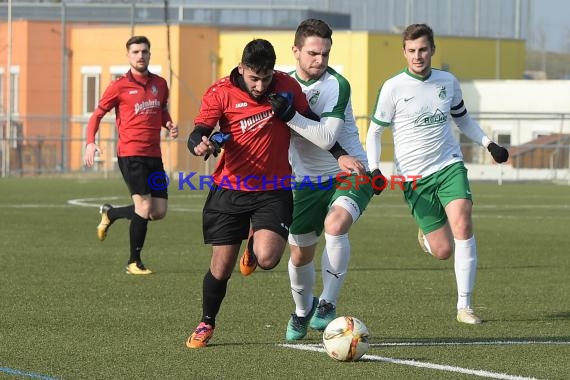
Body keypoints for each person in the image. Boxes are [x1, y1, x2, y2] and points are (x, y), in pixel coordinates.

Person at [185, 38, 362, 349]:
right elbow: (200, 130)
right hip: (229, 189)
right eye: (254, 78)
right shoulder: (220, 91)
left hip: (274, 190)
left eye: (265, 78)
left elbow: (311, 124)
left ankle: (253, 243)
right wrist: (200, 141)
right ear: (242, 69)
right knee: (221, 268)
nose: (260, 85)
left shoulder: (285, 85)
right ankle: (206, 321)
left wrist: (339, 154)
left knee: (268, 259)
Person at [366, 24, 509, 324]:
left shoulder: (448, 82)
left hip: (448, 165)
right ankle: (427, 237)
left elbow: (463, 119)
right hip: (414, 179)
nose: (418, 56)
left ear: (433, 49)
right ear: (404, 52)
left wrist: (489, 143)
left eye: (423, 49)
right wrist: (374, 169)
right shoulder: (393, 88)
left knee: (463, 221)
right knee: (443, 250)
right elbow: (375, 132)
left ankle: (465, 306)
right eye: (412, 51)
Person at [283, 18, 381, 341]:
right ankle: (302, 310)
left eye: (324, 54)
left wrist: (288, 114)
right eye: (312, 53)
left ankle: (327, 303)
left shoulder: (337, 84)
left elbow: (326, 135)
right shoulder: (282, 85)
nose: (319, 61)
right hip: (305, 182)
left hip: (349, 171)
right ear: (296, 50)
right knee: (300, 255)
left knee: (336, 224)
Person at [83, 35, 178, 275]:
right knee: (144, 206)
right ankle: (133, 262)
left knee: (158, 211)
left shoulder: (161, 84)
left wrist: (169, 124)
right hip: (130, 154)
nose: (140, 56)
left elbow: (161, 111)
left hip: (154, 156)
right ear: (128, 56)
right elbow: (96, 115)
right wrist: (90, 143)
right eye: (135, 52)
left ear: (149, 54)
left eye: (144, 51)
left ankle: (111, 213)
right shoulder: (118, 86)